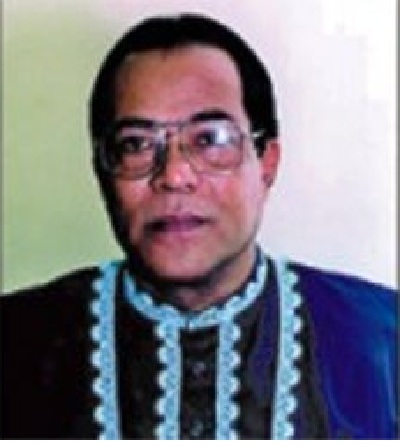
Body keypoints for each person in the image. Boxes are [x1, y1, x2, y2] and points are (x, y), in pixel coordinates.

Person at [1, 13, 397, 440]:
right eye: (136, 144)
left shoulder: (384, 338)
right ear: (103, 170)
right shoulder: (16, 341)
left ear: (266, 163)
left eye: (210, 139)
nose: (174, 175)